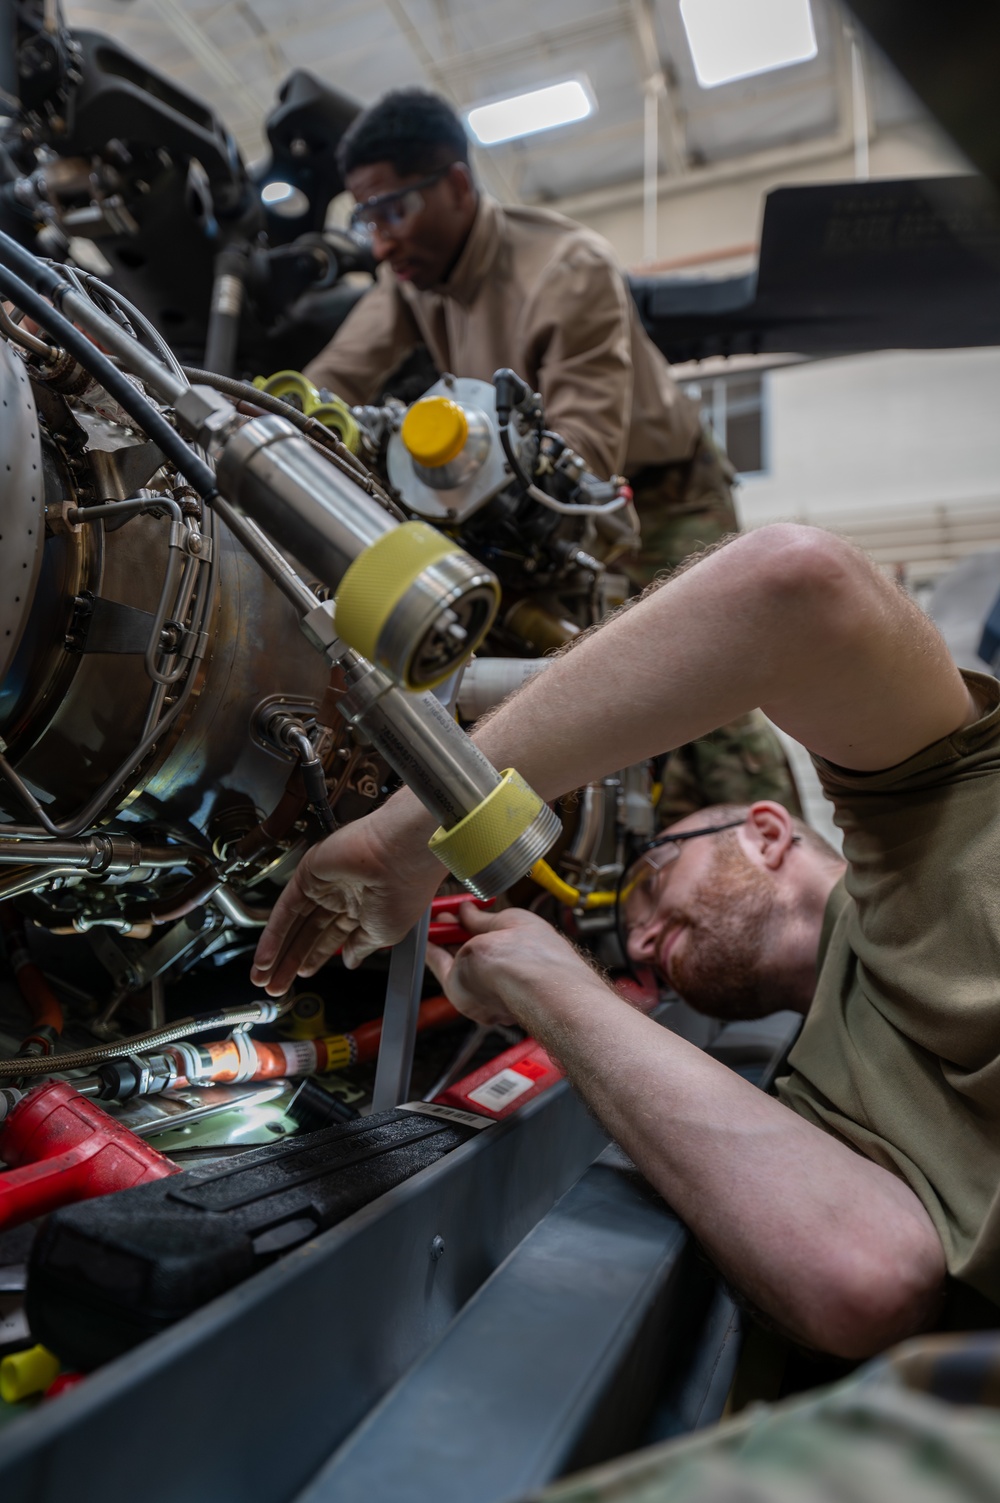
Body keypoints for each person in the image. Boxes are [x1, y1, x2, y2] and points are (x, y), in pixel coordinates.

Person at [253, 521, 1000, 1359]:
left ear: (765, 831)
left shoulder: (925, 833)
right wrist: (539, 976)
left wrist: (405, 835)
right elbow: (869, 1275)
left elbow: (795, 586)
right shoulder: (814, 1095)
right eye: (633, 936)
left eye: (651, 877)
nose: (639, 940)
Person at [304, 85, 798, 819]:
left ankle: (779, 847)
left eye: (393, 210)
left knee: (698, 674)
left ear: (458, 185)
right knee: (610, 696)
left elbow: (586, 457)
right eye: (365, 216)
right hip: (536, 497)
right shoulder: (411, 281)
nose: (379, 241)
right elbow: (325, 386)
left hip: (659, 491)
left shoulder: (567, 268)